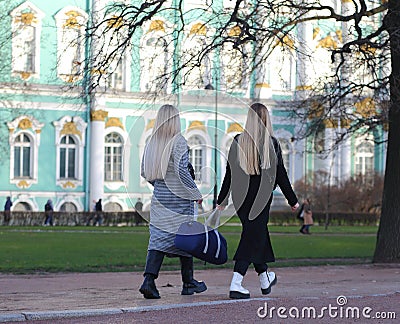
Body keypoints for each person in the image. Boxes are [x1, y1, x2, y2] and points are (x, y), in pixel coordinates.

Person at [217, 102, 299, 299]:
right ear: (265, 120)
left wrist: (222, 200)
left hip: (241, 200)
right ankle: (236, 283)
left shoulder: (238, 141)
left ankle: (265, 278)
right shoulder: (272, 143)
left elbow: (230, 175)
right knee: (251, 237)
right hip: (261, 200)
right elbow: (281, 176)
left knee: (255, 235)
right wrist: (293, 200)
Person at [140, 104, 206, 299]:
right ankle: (188, 282)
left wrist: (160, 186)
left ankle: (149, 281)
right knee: (186, 238)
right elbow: (182, 171)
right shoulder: (178, 142)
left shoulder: (152, 142)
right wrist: (195, 193)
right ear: (175, 120)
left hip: (160, 197)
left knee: (158, 239)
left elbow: (145, 172)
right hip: (180, 199)